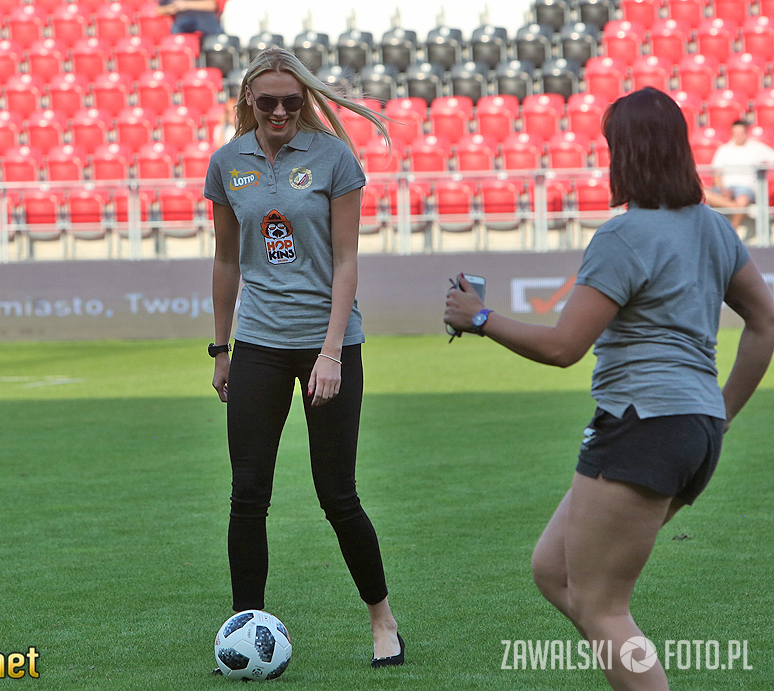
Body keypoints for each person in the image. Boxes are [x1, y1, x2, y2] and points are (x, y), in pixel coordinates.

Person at [444, 87, 774, 691]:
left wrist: (481, 318)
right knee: (554, 571)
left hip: (642, 426)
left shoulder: (622, 238)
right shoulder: (714, 228)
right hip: (693, 431)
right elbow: (765, 321)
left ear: (625, 153)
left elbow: (563, 347)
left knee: (603, 607)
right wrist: (720, 413)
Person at [204, 46, 404, 669]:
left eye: (292, 101)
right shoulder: (226, 163)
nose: (280, 111)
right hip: (258, 345)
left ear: (305, 100)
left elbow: (346, 260)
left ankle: (383, 622)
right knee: (247, 495)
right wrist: (221, 348)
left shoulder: (334, 158)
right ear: (248, 100)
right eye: (268, 101)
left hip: (328, 345)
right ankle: (245, 628)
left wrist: (331, 353)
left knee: (337, 494)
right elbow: (226, 260)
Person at [706, 120, 774, 236]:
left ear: (746, 133)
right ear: (732, 134)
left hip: (746, 189)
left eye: (741, 133)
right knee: (703, 193)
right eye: (736, 133)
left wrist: (763, 166)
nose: (739, 136)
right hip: (725, 189)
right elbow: (717, 173)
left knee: (742, 200)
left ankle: (731, 231)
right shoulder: (724, 149)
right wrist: (722, 189)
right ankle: (736, 209)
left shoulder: (757, 148)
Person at [156, 0, 225, 37]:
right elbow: (159, 10)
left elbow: (212, 5)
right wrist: (170, 8)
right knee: (176, 35)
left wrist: (186, 4)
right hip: (183, 20)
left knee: (218, 37)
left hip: (205, 18)